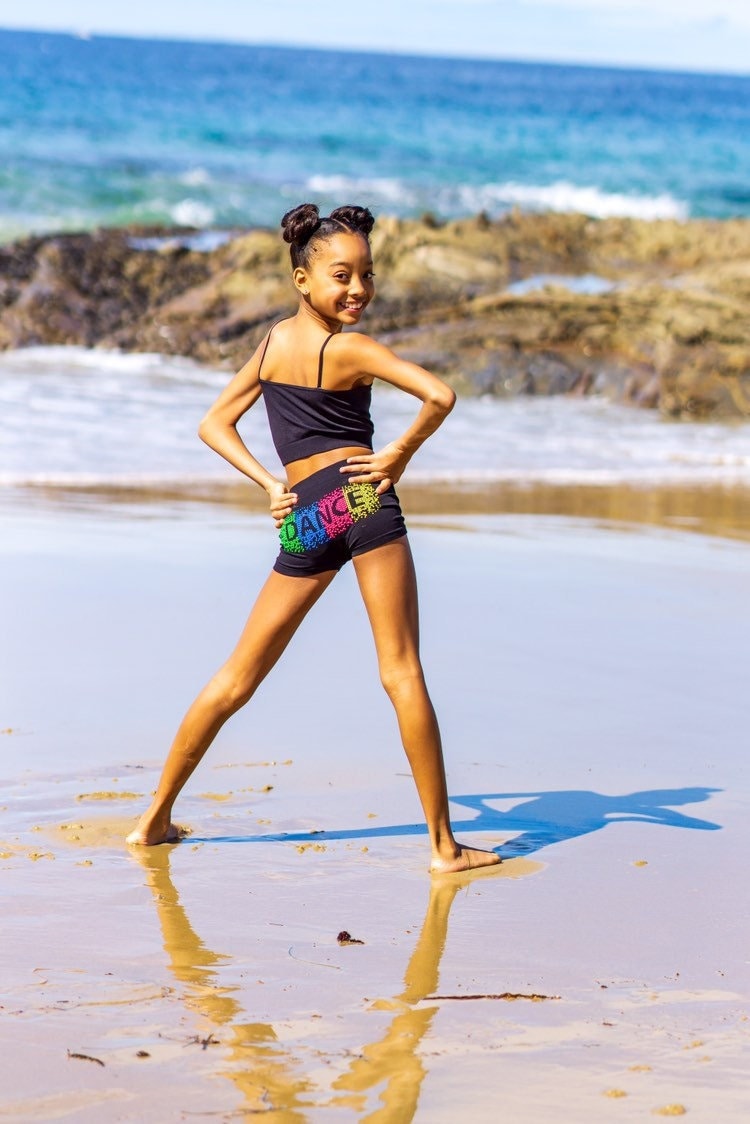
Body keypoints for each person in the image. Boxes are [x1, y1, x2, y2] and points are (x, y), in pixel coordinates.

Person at [126, 202, 500, 875]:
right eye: (341, 275)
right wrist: (399, 456)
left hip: (307, 512)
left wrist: (268, 484)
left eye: (367, 274)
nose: (357, 289)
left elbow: (214, 424)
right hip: (359, 495)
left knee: (237, 677)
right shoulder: (352, 348)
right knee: (401, 671)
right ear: (302, 279)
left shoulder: (272, 343)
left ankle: (153, 819)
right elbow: (439, 396)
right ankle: (444, 848)